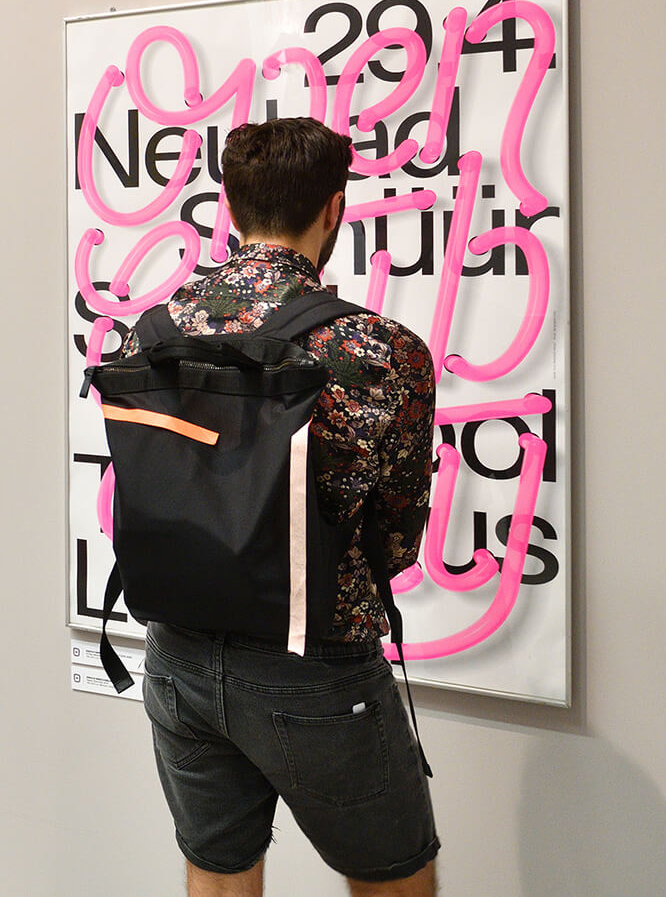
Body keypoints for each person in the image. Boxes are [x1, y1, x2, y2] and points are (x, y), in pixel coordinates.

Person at [129, 118, 441, 896]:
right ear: (334, 208)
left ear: (229, 204)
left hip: (176, 654)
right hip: (316, 663)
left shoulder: (155, 332)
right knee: (395, 882)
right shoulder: (378, 348)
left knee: (219, 874)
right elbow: (396, 537)